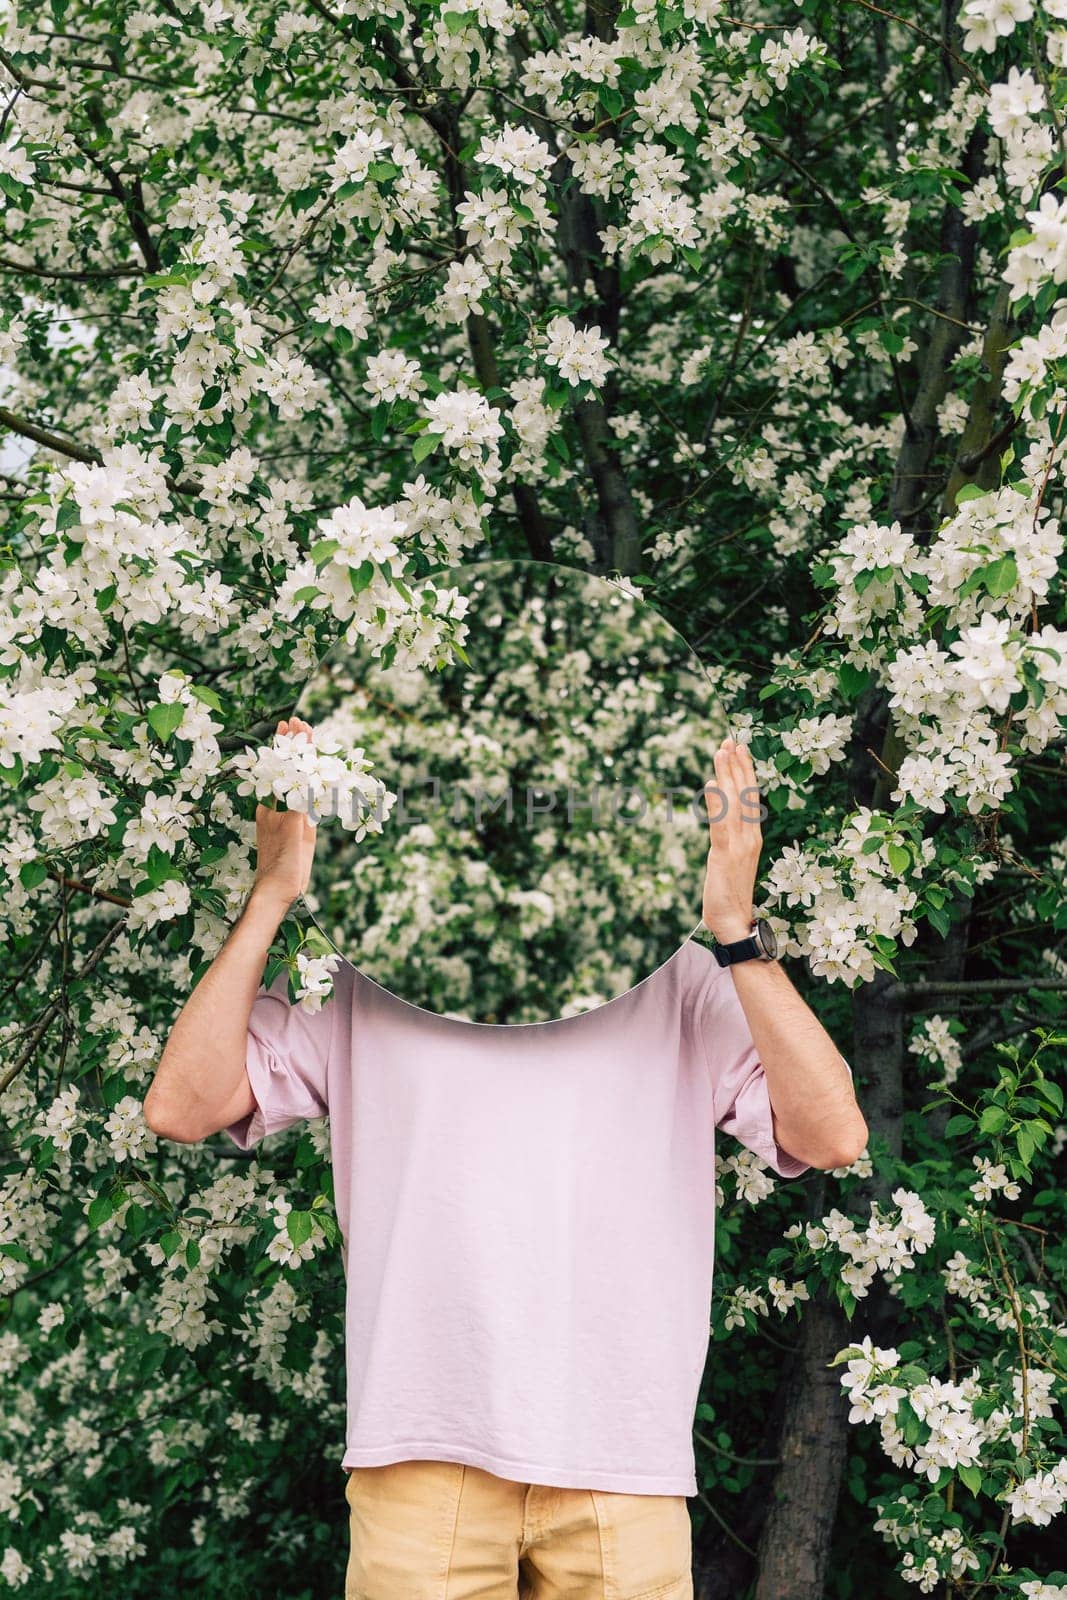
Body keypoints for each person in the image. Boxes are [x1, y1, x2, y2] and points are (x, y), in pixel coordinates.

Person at [145, 715, 866, 1600]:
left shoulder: (680, 983)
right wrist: (272, 894)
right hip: (421, 1453)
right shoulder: (358, 984)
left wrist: (734, 932)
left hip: (621, 1460)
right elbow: (182, 1105)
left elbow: (832, 1135)